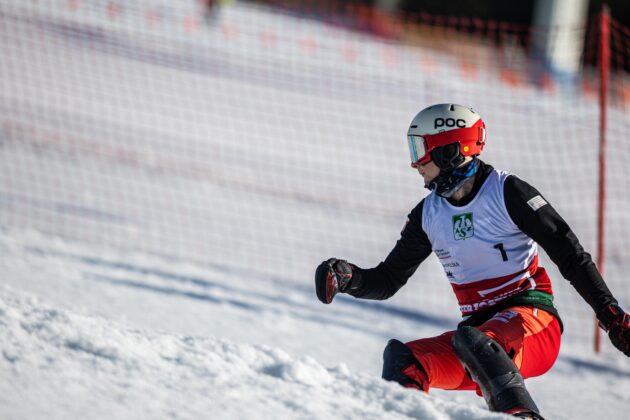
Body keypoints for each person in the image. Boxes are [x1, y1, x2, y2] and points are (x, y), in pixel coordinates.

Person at [315, 104, 630, 419]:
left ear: (448, 151)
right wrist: (349, 279)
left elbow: (570, 254)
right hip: (477, 343)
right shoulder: (427, 214)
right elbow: (387, 280)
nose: (414, 163)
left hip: (533, 326)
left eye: (420, 150)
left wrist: (611, 314)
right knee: (404, 360)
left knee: (474, 341)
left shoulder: (507, 191)